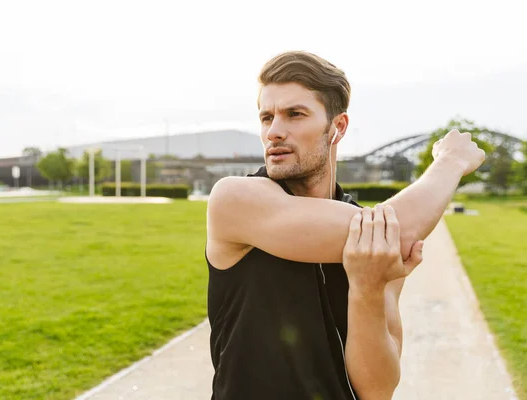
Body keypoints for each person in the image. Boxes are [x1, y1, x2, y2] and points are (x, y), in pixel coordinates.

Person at [205, 51, 485, 400]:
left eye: (295, 114)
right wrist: (452, 161)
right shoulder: (235, 199)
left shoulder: (371, 238)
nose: (274, 132)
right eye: (266, 117)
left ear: (337, 127)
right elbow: (399, 227)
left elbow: (377, 389)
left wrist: (367, 289)